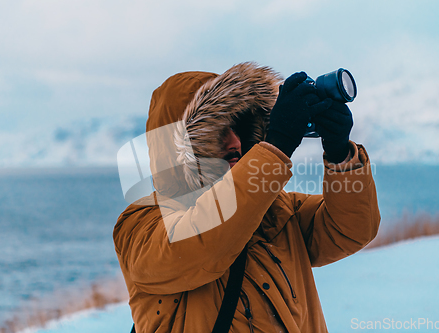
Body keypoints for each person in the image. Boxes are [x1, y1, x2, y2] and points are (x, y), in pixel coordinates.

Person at [113, 62, 381, 333]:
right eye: (215, 131)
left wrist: (340, 156)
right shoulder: (140, 224)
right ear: (178, 146)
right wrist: (274, 148)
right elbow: (201, 246)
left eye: (238, 127)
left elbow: (351, 229)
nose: (234, 142)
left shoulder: (277, 210)